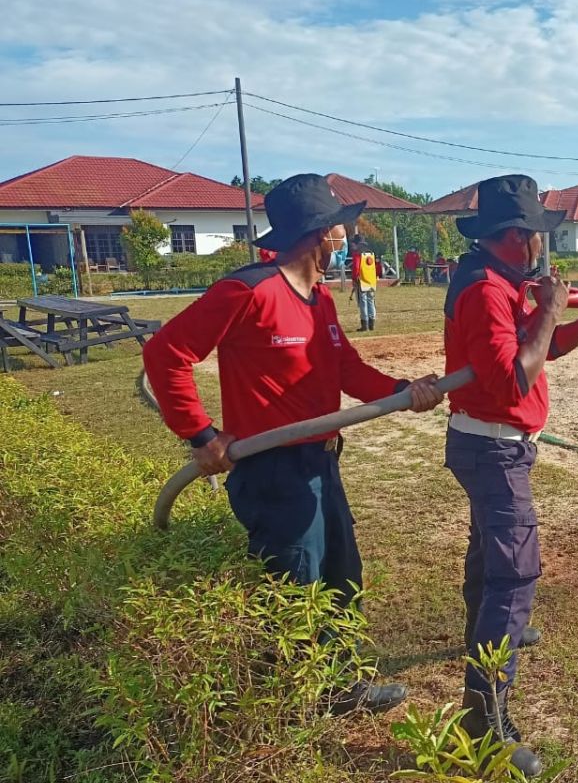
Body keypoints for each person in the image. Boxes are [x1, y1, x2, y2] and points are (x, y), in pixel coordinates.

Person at [143, 174, 444, 715]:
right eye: (339, 231)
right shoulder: (248, 290)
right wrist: (200, 434)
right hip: (271, 466)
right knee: (292, 582)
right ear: (321, 235)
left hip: (321, 459)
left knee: (340, 572)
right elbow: (166, 354)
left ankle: (340, 688)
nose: (345, 240)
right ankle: (289, 706)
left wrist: (403, 391)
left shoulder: (320, 300)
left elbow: (347, 367)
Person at [443, 174, 578, 777]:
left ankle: (490, 635)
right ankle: (485, 723)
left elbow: (543, 348)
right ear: (519, 238)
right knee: (515, 575)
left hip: (499, 447)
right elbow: (513, 379)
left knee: (490, 565)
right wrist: (548, 306)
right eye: (540, 237)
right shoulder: (484, 292)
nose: (545, 248)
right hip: (492, 449)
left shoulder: (504, 282)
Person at [350, 235, 379, 332]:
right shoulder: (370, 251)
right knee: (371, 301)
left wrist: (354, 278)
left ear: (356, 243)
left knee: (363, 302)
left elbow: (356, 267)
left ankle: (365, 324)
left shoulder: (357, 253)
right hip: (371, 280)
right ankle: (372, 323)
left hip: (361, 280)